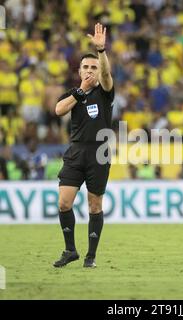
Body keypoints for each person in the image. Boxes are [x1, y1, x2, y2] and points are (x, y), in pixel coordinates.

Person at [53, 23, 114, 268]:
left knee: (94, 204)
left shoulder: (106, 91)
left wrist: (101, 51)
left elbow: (108, 76)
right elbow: (58, 110)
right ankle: (70, 250)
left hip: (99, 153)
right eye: (86, 67)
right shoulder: (74, 93)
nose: (90, 70)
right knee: (64, 202)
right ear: (79, 71)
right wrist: (80, 91)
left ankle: (91, 256)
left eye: (94, 67)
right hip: (76, 151)